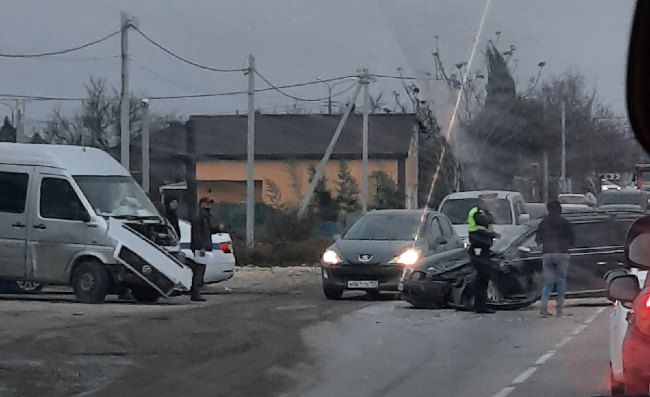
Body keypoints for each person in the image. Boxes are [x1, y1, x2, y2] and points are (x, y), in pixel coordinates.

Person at [535, 199, 575, 318]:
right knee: (561, 282)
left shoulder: (543, 222)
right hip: (562, 254)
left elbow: (538, 239)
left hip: (547, 254)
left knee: (548, 283)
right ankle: (560, 310)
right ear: (559, 209)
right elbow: (572, 238)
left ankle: (543, 309)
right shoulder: (564, 222)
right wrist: (566, 247)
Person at [467, 194, 500, 314]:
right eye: (489, 202)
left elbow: (489, 224)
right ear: (482, 202)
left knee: (483, 277)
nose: (491, 204)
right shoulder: (477, 212)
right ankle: (479, 305)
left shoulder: (482, 212)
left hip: (483, 247)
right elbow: (482, 227)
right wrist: (493, 235)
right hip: (478, 247)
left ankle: (480, 303)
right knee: (482, 276)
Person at [189, 196, 224, 302]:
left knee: (201, 269)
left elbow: (207, 231)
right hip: (201, 248)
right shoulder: (199, 217)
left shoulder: (206, 217)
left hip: (205, 247)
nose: (209, 206)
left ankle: (196, 292)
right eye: (207, 203)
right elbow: (197, 234)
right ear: (202, 204)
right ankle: (195, 293)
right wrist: (201, 247)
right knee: (199, 270)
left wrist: (217, 229)